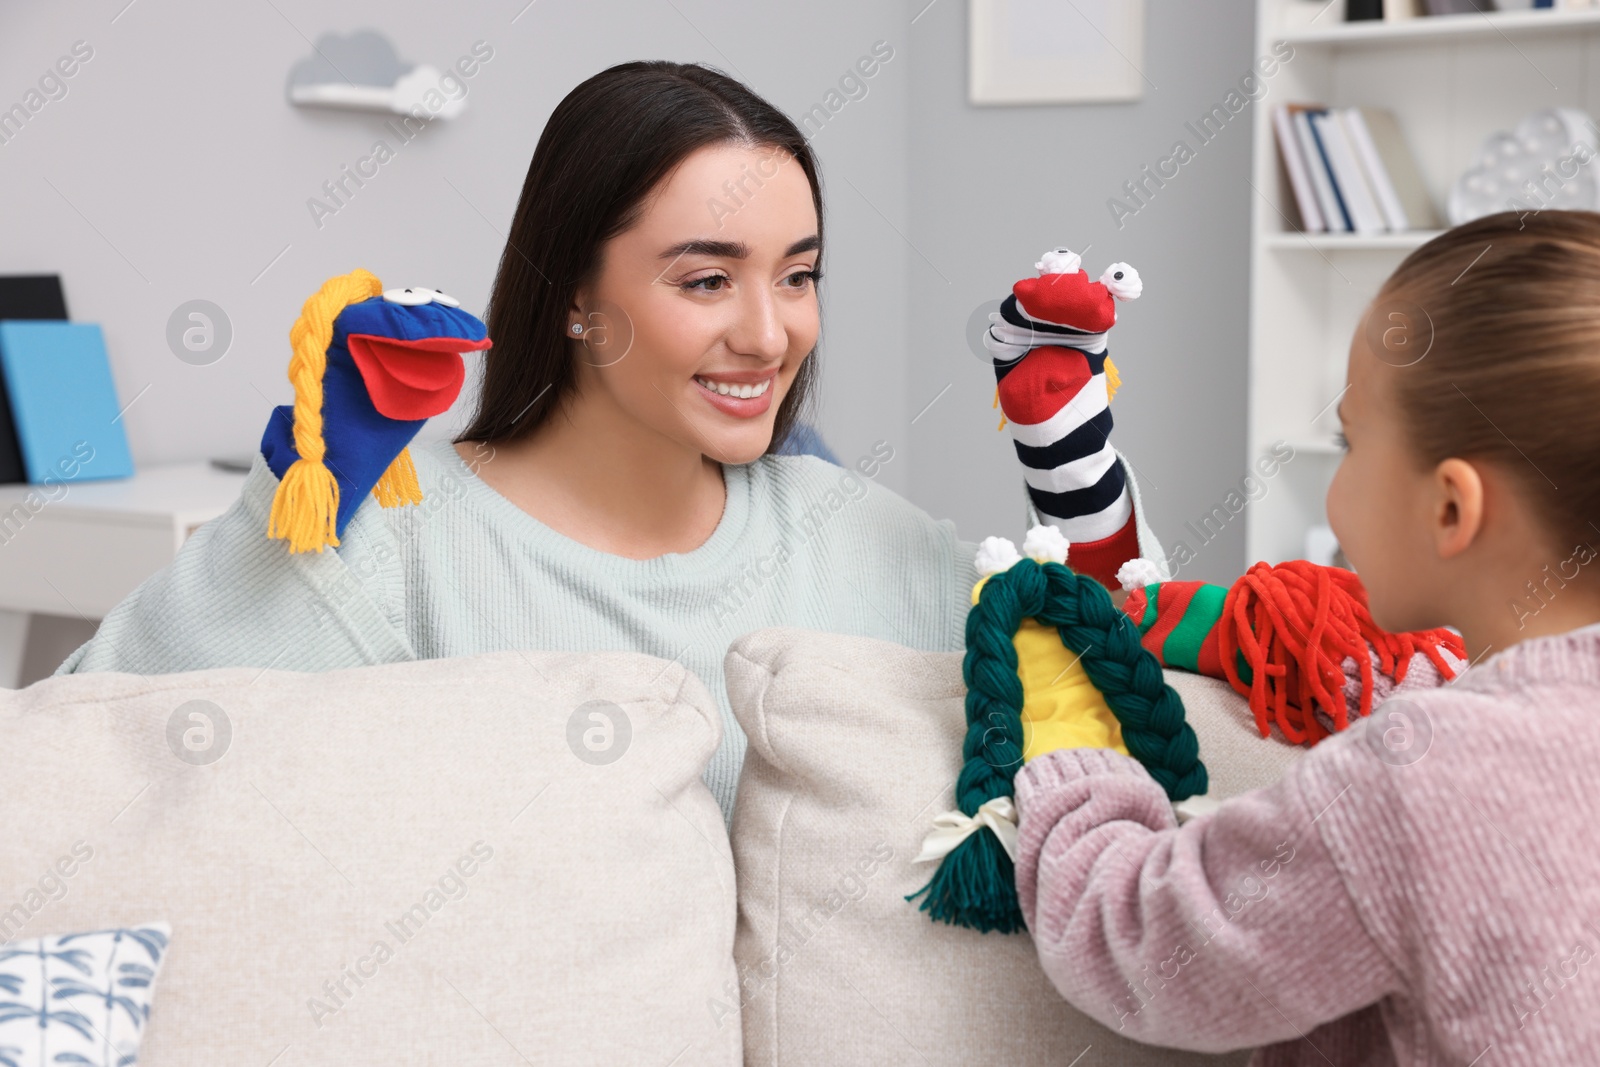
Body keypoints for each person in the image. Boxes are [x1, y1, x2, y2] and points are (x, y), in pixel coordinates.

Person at [53, 62, 985, 827]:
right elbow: (70, 755)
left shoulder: (869, 540)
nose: (770, 334)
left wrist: (1085, 484)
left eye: (797, 276)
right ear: (575, 296)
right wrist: (278, 521)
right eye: (706, 280)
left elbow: (1099, 687)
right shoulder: (398, 531)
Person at [1012, 209, 1600, 1063]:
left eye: (1349, 440)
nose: (1339, 470)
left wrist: (1069, 746)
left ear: (1450, 507)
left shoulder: (1420, 782)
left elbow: (1140, 943)